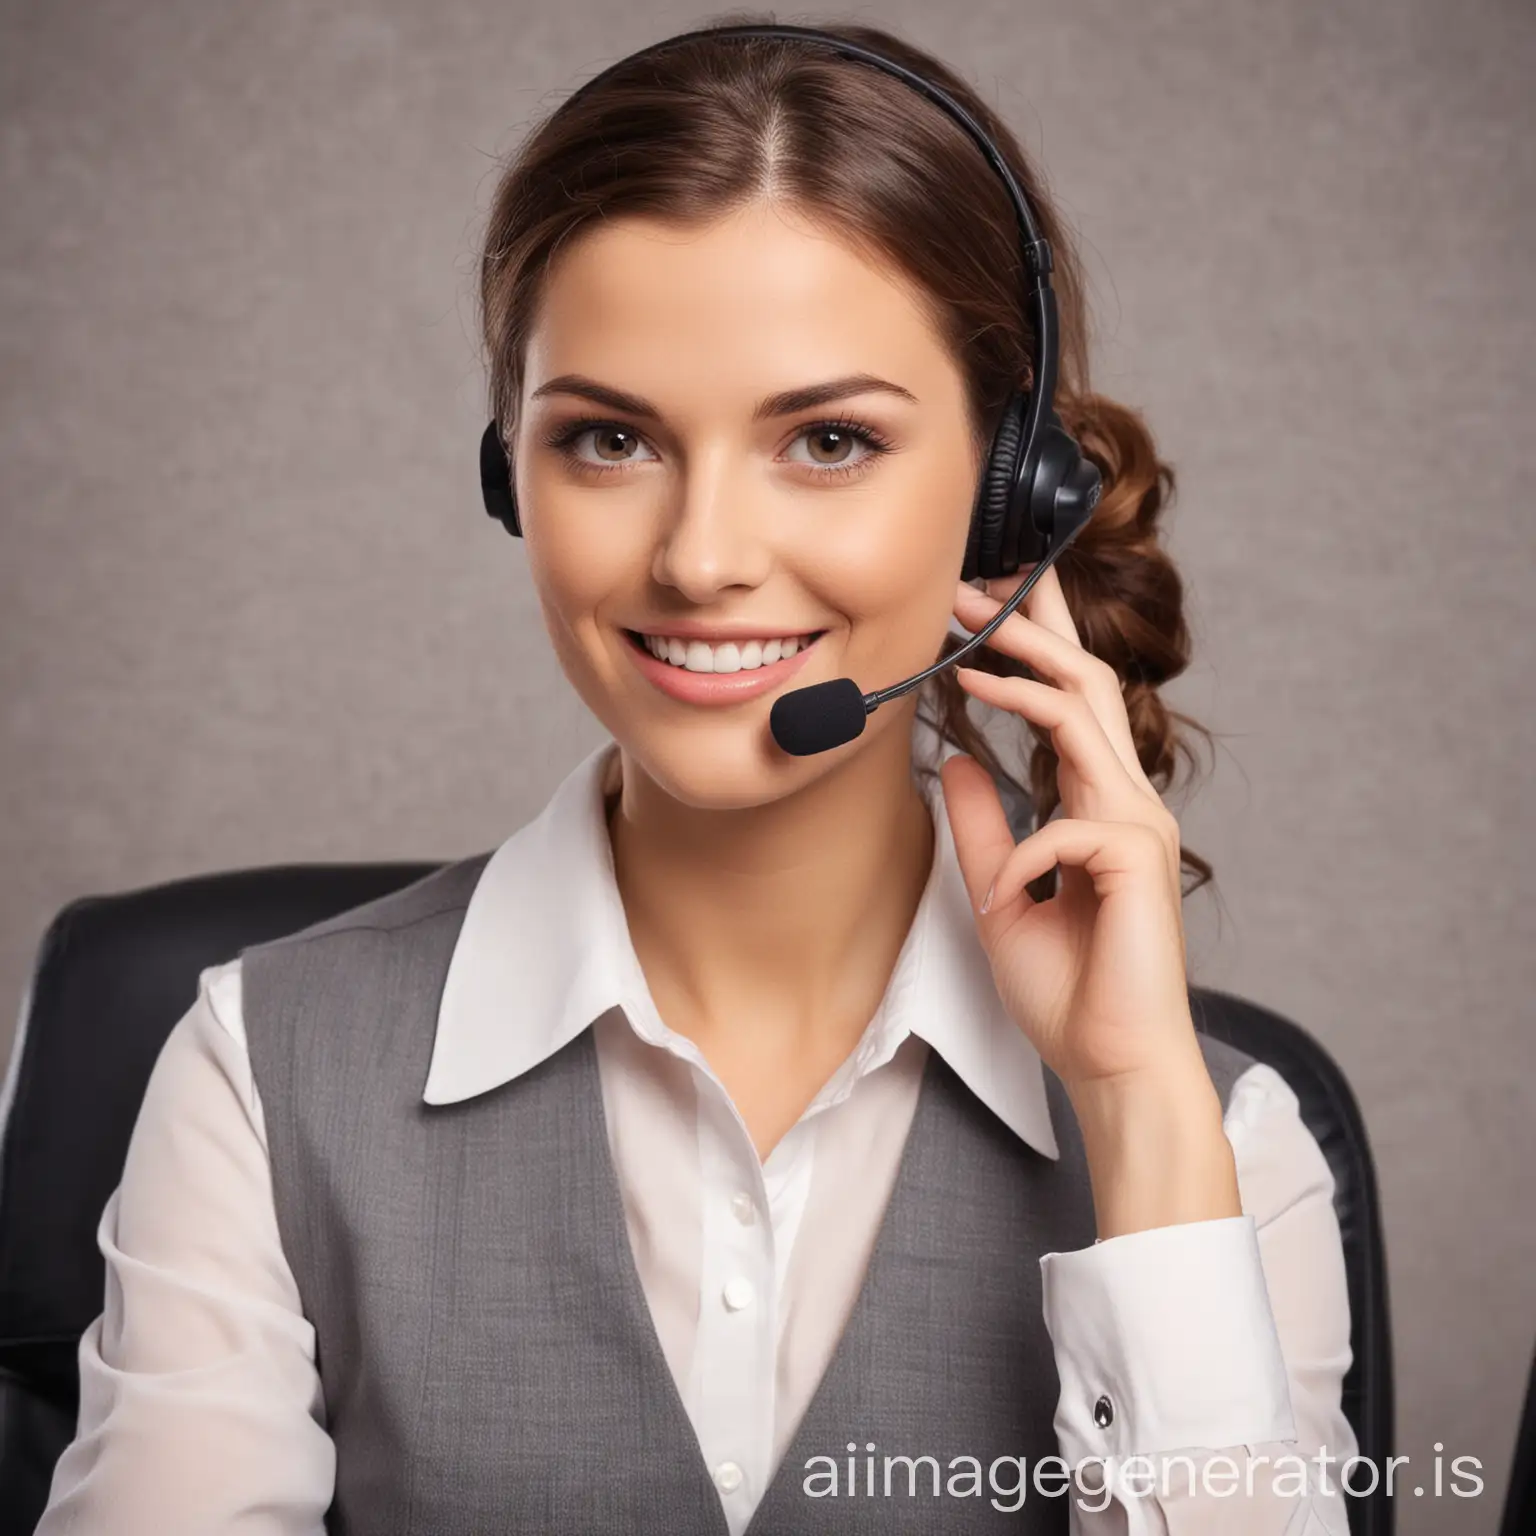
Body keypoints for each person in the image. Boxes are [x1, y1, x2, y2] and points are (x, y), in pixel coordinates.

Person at [37, 16, 1357, 1535]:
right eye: (608, 438)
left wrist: (1136, 1116)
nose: (703, 557)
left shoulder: (1226, 1147)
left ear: (1009, 492)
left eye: (831, 442)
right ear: (507, 471)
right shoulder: (259, 1075)